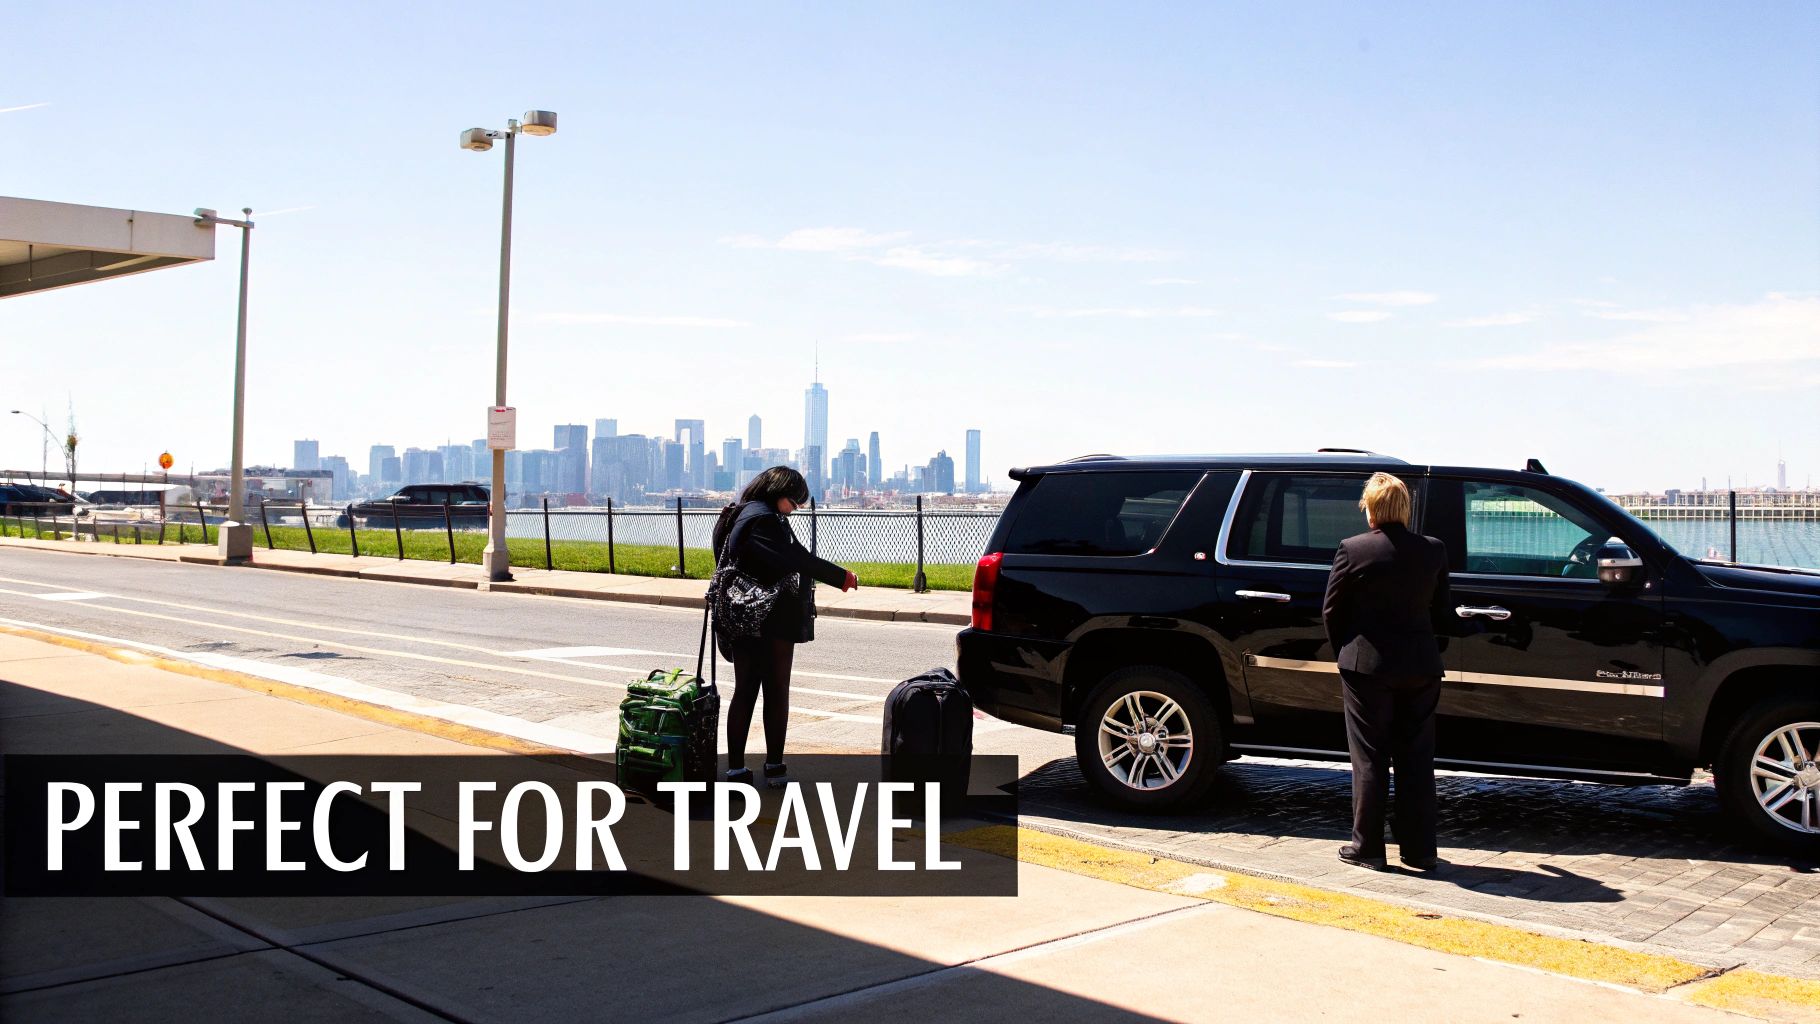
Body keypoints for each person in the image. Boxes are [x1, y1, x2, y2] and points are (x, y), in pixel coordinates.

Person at [1322, 471, 1451, 871]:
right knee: (1417, 759)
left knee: (1370, 758)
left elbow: (1332, 610)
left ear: (1371, 509)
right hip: (1421, 666)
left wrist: (1347, 654)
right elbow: (1442, 613)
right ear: (1405, 508)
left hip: (1367, 667)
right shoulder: (1433, 550)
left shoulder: (1353, 549)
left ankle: (1368, 849)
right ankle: (1421, 850)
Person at [714, 467, 858, 788]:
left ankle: (736, 769)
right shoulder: (764, 520)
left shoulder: (742, 513)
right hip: (771, 617)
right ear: (778, 492)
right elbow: (796, 559)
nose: (795, 509)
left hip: (742, 614)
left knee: (745, 691)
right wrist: (841, 577)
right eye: (794, 502)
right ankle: (775, 768)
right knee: (776, 690)